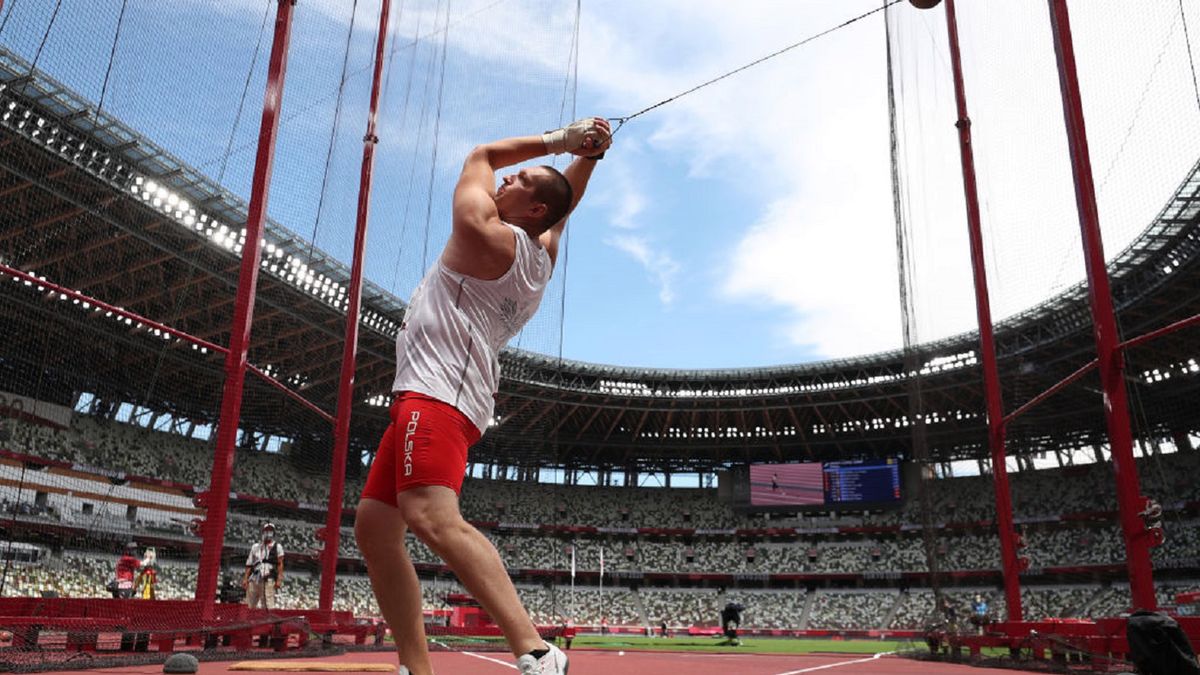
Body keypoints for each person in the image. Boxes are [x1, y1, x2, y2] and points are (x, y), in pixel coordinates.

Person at [355, 117, 611, 675]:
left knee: (429, 514)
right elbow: (563, 207)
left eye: (520, 182)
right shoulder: (541, 252)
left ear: (532, 210)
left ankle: (537, 651)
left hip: (438, 391)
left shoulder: (482, 232)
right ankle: (414, 668)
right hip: (442, 390)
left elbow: (481, 155)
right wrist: (587, 157)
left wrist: (562, 142)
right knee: (375, 528)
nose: (507, 179)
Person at [242, 522, 284, 610]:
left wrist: (279, 580)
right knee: (249, 605)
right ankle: (248, 621)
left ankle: (268, 622)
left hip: (268, 579)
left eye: (270, 531)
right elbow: (249, 564)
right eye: (266, 530)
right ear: (262, 532)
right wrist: (245, 578)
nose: (268, 533)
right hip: (254, 578)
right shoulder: (255, 547)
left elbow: (280, 564)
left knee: (267, 605)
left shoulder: (277, 547)